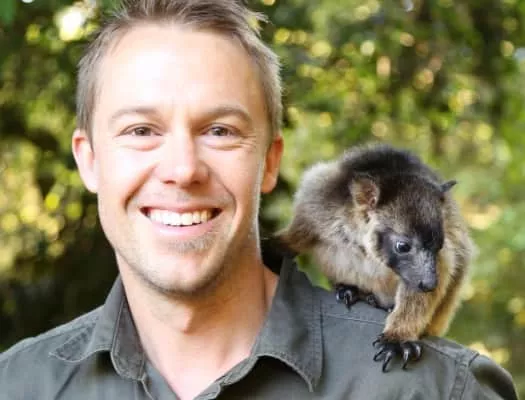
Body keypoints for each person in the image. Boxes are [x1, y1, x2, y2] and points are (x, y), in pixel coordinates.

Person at [0, 0, 519, 399]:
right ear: (89, 160)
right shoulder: (18, 384)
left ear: (269, 162)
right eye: (141, 130)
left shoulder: (435, 389)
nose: (182, 170)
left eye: (220, 131)